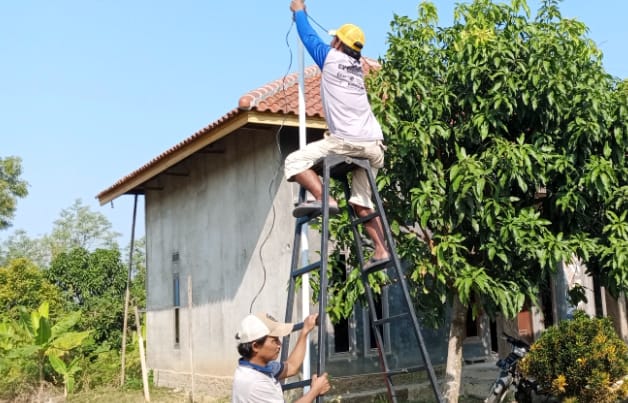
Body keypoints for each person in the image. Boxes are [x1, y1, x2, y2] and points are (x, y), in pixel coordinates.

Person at [285, 0, 389, 268]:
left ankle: (324, 198)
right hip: (374, 147)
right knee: (361, 205)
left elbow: (308, 37)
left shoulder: (330, 60)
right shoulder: (357, 70)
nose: (331, 44)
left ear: (340, 44)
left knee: (294, 161)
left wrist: (298, 12)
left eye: (335, 40)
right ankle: (381, 249)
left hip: (348, 142)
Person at [232, 312, 330, 403]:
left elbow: (291, 367)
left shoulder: (259, 367)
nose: (280, 344)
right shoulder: (255, 383)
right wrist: (315, 390)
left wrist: (305, 331)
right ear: (256, 346)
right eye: (274, 341)